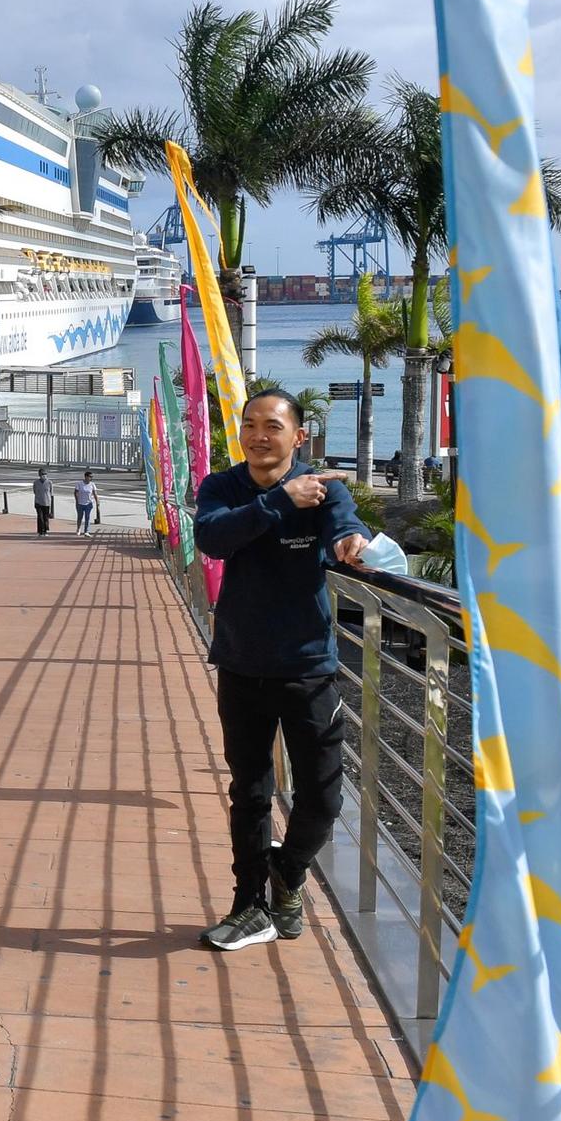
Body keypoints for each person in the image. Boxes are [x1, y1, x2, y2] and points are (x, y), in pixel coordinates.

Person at [193, 389, 369, 953]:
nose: (258, 435)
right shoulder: (223, 488)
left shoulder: (323, 489)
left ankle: (287, 872)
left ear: (298, 436)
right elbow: (212, 537)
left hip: (308, 665)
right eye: (249, 425)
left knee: (323, 796)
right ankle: (250, 907)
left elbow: (345, 524)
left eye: (272, 426)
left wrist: (349, 538)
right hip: (242, 663)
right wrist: (279, 502)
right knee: (250, 791)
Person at [74, 470, 100, 536]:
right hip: (80, 503)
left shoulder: (92, 484)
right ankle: (78, 528)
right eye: (90, 477)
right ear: (85, 477)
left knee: (87, 517)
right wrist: (77, 501)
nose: (91, 478)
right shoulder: (79, 484)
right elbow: (76, 492)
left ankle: (86, 531)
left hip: (88, 503)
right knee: (80, 517)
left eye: (92, 477)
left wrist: (97, 501)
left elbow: (95, 493)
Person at [32, 467, 54, 536]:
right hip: (38, 502)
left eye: (45, 474)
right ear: (39, 475)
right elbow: (35, 491)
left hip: (46, 502)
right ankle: (40, 531)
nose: (44, 476)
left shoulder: (49, 482)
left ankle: (45, 531)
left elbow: (51, 492)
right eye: (42, 474)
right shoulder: (36, 482)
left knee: (45, 517)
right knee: (40, 517)